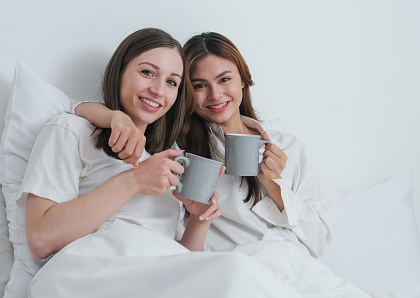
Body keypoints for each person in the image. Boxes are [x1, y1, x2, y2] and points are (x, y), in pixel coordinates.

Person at [75, 32, 373, 297]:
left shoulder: (288, 146)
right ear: (186, 96)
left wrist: (273, 184)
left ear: (243, 79)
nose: (215, 95)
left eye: (225, 79)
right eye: (199, 86)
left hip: (300, 272)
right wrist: (118, 118)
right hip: (239, 274)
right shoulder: (179, 149)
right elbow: (76, 109)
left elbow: (319, 241)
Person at [18, 28, 303, 298]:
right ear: (119, 73)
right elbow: (42, 239)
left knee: (266, 262)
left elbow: (179, 261)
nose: (158, 90)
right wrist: (132, 180)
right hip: (89, 271)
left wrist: (198, 219)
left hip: (152, 275)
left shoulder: (168, 158)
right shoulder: (71, 130)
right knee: (236, 270)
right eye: (147, 73)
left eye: (171, 82)